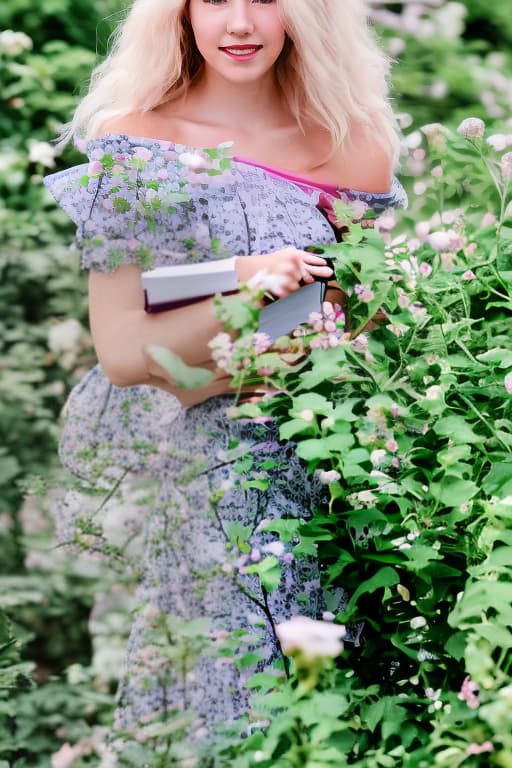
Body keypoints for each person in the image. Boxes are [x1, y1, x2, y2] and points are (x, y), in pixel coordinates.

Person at [44, 0, 406, 741]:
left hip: (346, 477)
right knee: (240, 712)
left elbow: (365, 324)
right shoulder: (138, 142)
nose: (239, 22)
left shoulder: (353, 146)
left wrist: (269, 331)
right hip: (219, 477)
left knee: (349, 716)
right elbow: (122, 352)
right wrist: (248, 285)